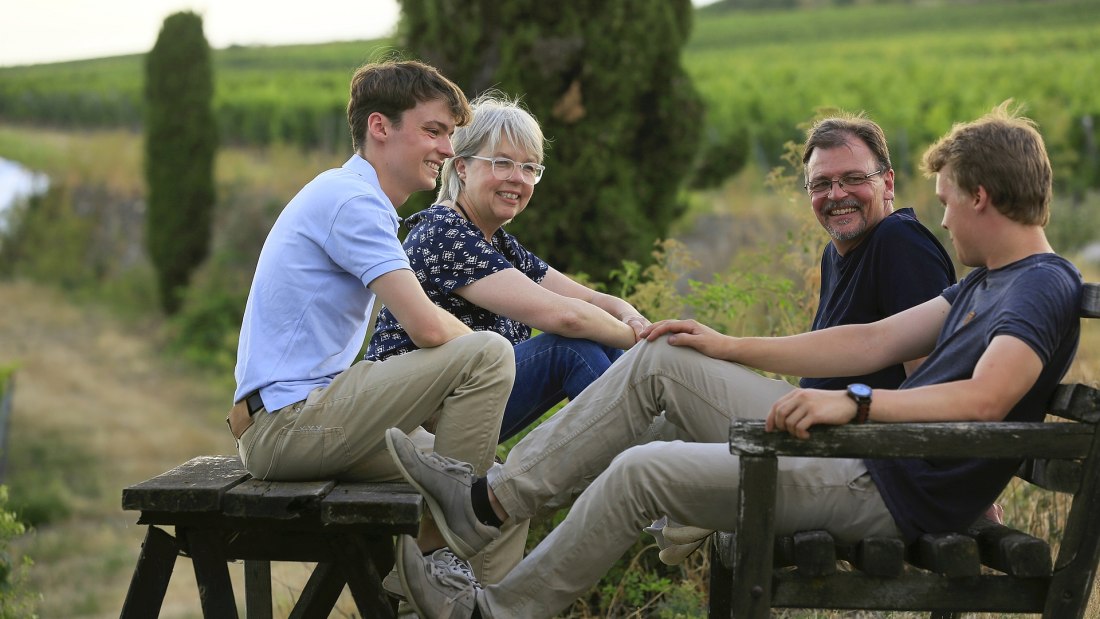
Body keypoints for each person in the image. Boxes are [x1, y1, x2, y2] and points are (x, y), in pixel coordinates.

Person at [385, 101, 1082, 619]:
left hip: (884, 484)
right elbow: (870, 342)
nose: (947, 218)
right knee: (660, 360)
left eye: (949, 202)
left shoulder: (1040, 285)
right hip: (866, 454)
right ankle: (489, 502)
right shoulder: (988, 282)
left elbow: (989, 399)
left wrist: (858, 402)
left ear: (981, 196)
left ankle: (495, 610)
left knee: (641, 471)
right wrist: (720, 343)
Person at [228, 60, 516, 586]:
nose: (448, 151)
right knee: (491, 352)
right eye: (434, 131)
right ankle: (431, 562)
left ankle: (463, 599)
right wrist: (476, 362)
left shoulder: (361, 200)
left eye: (450, 135)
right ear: (380, 127)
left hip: (307, 417)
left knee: (502, 490)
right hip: (286, 425)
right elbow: (426, 327)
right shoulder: (351, 200)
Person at [647, 112, 956, 563]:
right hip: (810, 431)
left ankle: (520, 491)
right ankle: (686, 509)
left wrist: (956, 484)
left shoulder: (900, 242)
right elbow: (833, 356)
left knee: (662, 368)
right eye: (821, 184)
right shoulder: (838, 253)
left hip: (850, 460)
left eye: (853, 178)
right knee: (663, 417)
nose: (837, 195)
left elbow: (929, 389)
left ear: (888, 182)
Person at [366, 93, 649, 444]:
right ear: (462, 167)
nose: (519, 178)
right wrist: (644, 343)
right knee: (570, 349)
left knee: (602, 345)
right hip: (416, 415)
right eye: (502, 163)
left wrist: (631, 316)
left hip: (460, 398)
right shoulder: (444, 233)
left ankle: (645, 463)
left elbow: (590, 301)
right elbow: (567, 318)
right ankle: (645, 465)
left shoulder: (499, 245)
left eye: (530, 167)